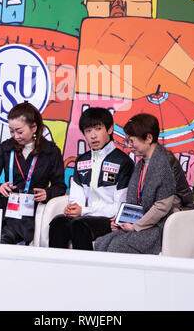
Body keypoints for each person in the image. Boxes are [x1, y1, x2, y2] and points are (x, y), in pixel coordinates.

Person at [95, 113, 194, 255]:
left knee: (117, 246)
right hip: (147, 220)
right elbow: (137, 200)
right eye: (127, 141)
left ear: (148, 138)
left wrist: (135, 226)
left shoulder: (163, 162)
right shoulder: (143, 162)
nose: (129, 146)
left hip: (167, 222)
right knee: (102, 243)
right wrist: (121, 220)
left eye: (132, 141)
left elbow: (162, 207)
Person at [48, 107, 134, 250]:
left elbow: (118, 208)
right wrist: (73, 209)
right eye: (88, 131)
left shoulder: (123, 162)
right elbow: (76, 200)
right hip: (85, 216)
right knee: (58, 222)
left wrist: (85, 211)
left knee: (79, 225)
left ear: (110, 129)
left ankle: (85, 272)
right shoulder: (82, 161)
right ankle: (56, 269)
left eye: (98, 129)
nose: (93, 135)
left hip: (109, 220)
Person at [0, 101, 66, 245]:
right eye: (11, 131)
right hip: (5, 206)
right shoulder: (6, 147)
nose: (15, 136)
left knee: (4, 237)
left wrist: (48, 193)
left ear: (34, 127)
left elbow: (60, 186)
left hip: (29, 211)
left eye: (19, 131)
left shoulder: (51, 151)